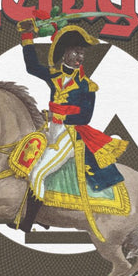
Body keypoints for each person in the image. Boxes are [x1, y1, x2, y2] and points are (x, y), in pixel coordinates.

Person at [16, 20, 127, 233]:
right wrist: (27, 37)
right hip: (51, 132)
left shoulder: (87, 86)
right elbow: (32, 67)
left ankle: (27, 223)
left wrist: (56, 115)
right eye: (76, 52)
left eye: (82, 53)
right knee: (25, 164)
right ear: (65, 53)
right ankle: (43, 217)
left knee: (38, 173)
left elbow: (85, 116)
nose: (80, 57)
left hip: (71, 136)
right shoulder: (55, 76)